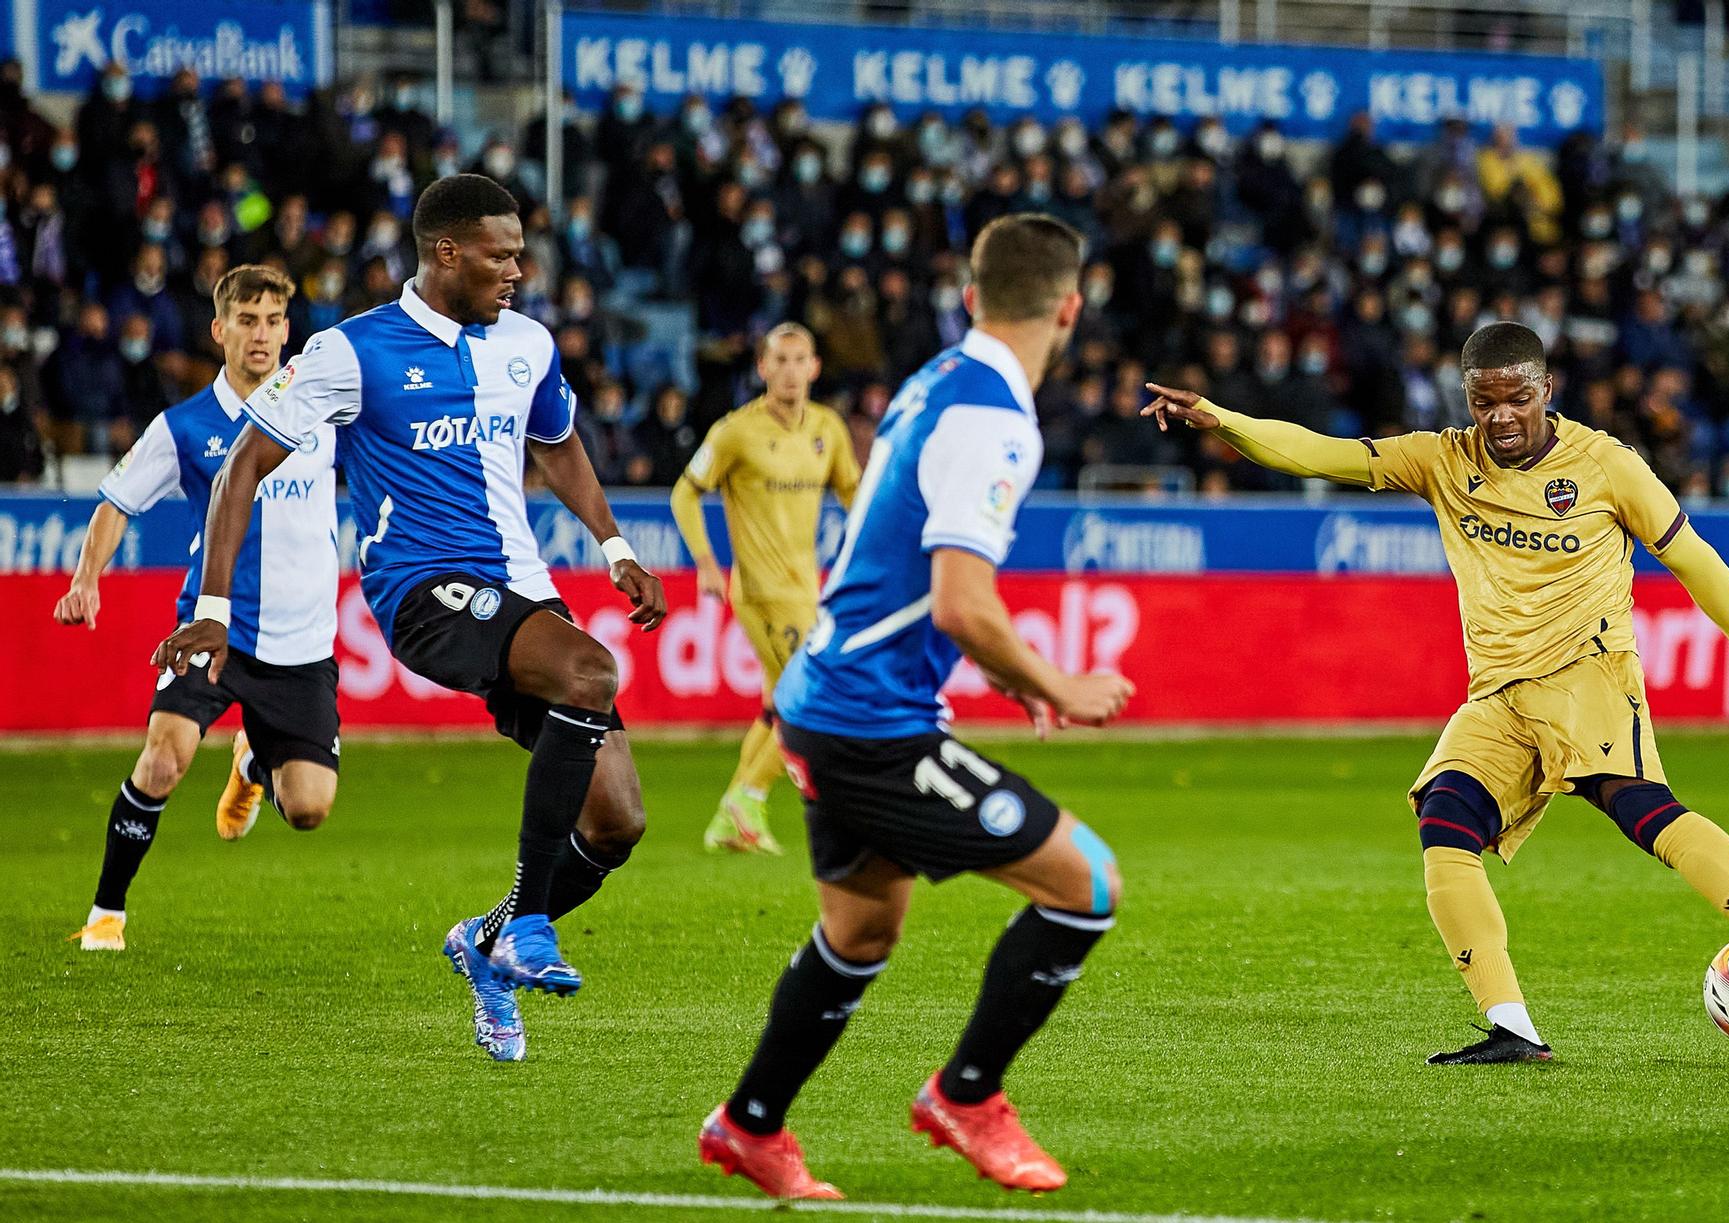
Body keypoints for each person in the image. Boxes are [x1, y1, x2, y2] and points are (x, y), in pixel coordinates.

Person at [1140, 322, 1729, 1065]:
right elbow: (1320, 453)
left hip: (1588, 674)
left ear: (1547, 389)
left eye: (1518, 398)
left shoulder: (1606, 465)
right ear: (1468, 398)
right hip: (1499, 695)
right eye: (1485, 402)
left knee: (1642, 811)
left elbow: (1697, 562)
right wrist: (1223, 420)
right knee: (1444, 822)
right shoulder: (1444, 460)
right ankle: (1513, 1026)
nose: (1502, 416)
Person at [150, 175, 667, 1063]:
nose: (518, 268)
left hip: (523, 590)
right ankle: (530, 924)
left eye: (519, 251)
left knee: (617, 820)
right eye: (501, 254)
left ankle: (486, 942)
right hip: (422, 590)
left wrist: (613, 543)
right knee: (591, 670)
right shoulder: (354, 352)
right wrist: (214, 607)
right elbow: (242, 467)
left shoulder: (529, 344)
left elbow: (556, 440)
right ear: (446, 252)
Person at [698, 214, 1134, 1200]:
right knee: (1086, 882)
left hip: (823, 690)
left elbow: (915, 575)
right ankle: (965, 1095)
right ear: (1069, 308)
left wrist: (1015, 676)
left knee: (859, 933)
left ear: (970, 294)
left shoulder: (936, 381)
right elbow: (957, 602)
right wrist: (1056, 681)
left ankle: (748, 1123)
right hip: (868, 717)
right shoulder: (994, 415)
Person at [57, 266, 340, 952]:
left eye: (275, 320)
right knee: (162, 760)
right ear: (220, 331)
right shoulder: (185, 426)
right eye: (248, 319)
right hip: (212, 628)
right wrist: (85, 578)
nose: (263, 335)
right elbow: (115, 502)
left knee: (307, 807)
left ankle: (251, 764)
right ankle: (106, 913)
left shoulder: (323, 409)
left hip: (302, 642)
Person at [670, 323, 859, 854]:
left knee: (778, 705)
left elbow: (854, 495)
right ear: (763, 368)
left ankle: (732, 817)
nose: (791, 371)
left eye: (801, 360)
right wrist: (706, 562)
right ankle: (750, 793)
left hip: (807, 589)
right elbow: (685, 494)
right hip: (759, 590)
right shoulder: (736, 431)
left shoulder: (828, 428)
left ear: (815, 367)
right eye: (781, 360)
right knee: (814, 694)